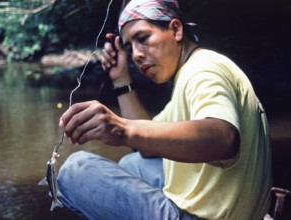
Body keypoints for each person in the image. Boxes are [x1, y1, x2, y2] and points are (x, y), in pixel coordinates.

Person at [57, 0, 272, 219]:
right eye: (130, 47)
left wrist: (122, 129)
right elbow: (148, 145)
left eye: (143, 39)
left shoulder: (205, 69)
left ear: (176, 30)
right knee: (134, 164)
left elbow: (224, 139)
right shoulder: (191, 73)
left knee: (75, 169)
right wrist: (121, 79)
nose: (137, 55)